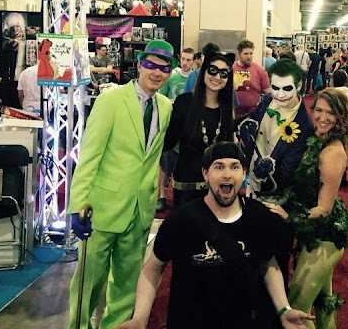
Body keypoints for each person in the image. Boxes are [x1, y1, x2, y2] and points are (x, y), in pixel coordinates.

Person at [116, 141, 314, 329]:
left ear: (243, 173)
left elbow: (268, 264)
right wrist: (140, 318)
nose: (227, 174)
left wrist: (284, 309)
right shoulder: (181, 220)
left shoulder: (259, 217)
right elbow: (152, 269)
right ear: (205, 174)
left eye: (234, 167)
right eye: (219, 167)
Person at [67, 39, 176, 329]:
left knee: (127, 285)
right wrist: (77, 207)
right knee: (88, 282)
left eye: (164, 68)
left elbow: (150, 158)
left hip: (140, 211)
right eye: (151, 65)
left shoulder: (165, 107)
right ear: (139, 65)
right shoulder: (111, 100)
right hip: (102, 209)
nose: (156, 73)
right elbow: (89, 156)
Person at [264, 88, 348, 329]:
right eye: (319, 110)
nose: (323, 117)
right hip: (314, 233)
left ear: (340, 116)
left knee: (297, 308)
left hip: (325, 237)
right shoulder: (317, 138)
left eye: (330, 113)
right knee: (325, 302)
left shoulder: (332, 152)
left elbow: (324, 209)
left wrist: (289, 216)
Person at [238, 59, 315, 326]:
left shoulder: (304, 125)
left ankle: (271, 318)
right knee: (250, 255)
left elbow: (289, 174)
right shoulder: (266, 103)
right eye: (275, 87)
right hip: (252, 194)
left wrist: (268, 174)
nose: (280, 94)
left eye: (287, 88)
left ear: (300, 86)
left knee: (276, 259)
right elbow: (250, 128)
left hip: (279, 203)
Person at [165, 48, 236, 208]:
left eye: (224, 73)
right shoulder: (184, 102)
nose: (217, 77)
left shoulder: (226, 110)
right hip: (186, 187)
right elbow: (167, 142)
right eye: (213, 70)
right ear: (204, 71)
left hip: (216, 189)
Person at [157, 48, 195, 211]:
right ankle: (162, 196)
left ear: (194, 61)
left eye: (189, 60)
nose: (185, 63)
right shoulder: (172, 76)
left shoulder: (196, 78)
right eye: (183, 59)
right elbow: (161, 98)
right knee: (167, 164)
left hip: (188, 126)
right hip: (172, 123)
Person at [233, 39, 271, 117]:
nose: (249, 57)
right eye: (245, 54)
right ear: (239, 53)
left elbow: (268, 93)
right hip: (232, 113)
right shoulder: (231, 69)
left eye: (251, 53)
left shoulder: (260, 70)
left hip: (253, 113)